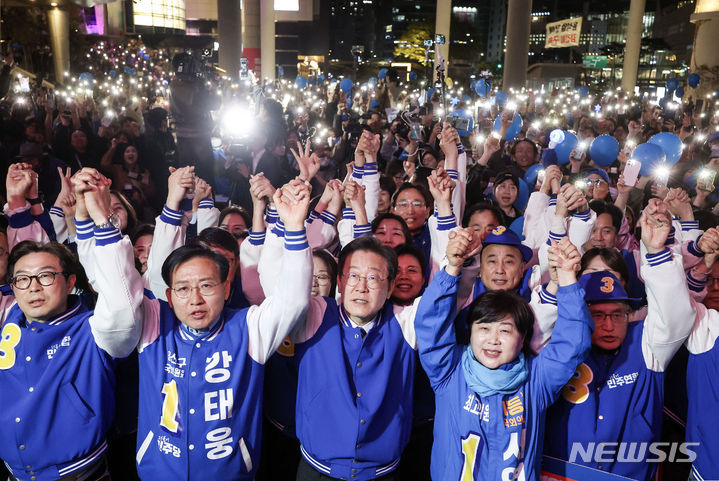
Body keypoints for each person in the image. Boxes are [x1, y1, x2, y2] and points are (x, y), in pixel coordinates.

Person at [129, 177, 313, 480]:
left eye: (206, 285)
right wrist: (173, 202)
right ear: (169, 297)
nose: (196, 299)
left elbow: (292, 300)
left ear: (227, 289)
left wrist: (293, 227)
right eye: (184, 289)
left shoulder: (248, 328)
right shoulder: (154, 326)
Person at [0, 166, 143, 481]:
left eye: (46, 276)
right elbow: (27, 252)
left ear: (70, 281)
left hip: (78, 474)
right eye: (22, 280)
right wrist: (16, 199)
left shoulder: (93, 330)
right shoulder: (8, 314)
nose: (33, 286)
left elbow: (121, 302)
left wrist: (100, 217)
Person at [414, 229, 593, 480]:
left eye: (505, 330)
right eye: (484, 328)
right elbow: (430, 326)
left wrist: (567, 278)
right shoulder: (450, 373)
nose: (493, 340)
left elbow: (573, 344)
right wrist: (452, 267)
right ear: (470, 333)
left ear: (523, 339)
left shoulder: (535, 381)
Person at [540, 199, 696, 481]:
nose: (609, 325)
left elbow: (677, 316)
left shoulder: (646, 345)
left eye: (618, 313)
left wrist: (657, 251)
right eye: (598, 315)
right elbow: (535, 331)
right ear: (582, 312)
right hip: (561, 473)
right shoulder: (560, 344)